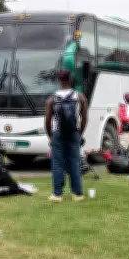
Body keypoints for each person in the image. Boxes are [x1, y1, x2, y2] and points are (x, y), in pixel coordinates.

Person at [44, 70, 88, 202]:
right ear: (70, 79)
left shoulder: (52, 98)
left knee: (57, 163)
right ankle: (77, 194)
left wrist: (50, 136)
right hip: (74, 132)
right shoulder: (79, 96)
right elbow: (84, 118)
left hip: (58, 133)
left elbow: (47, 120)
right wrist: (79, 133)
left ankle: (57, 195)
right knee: (74, 162)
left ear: (59, 80)